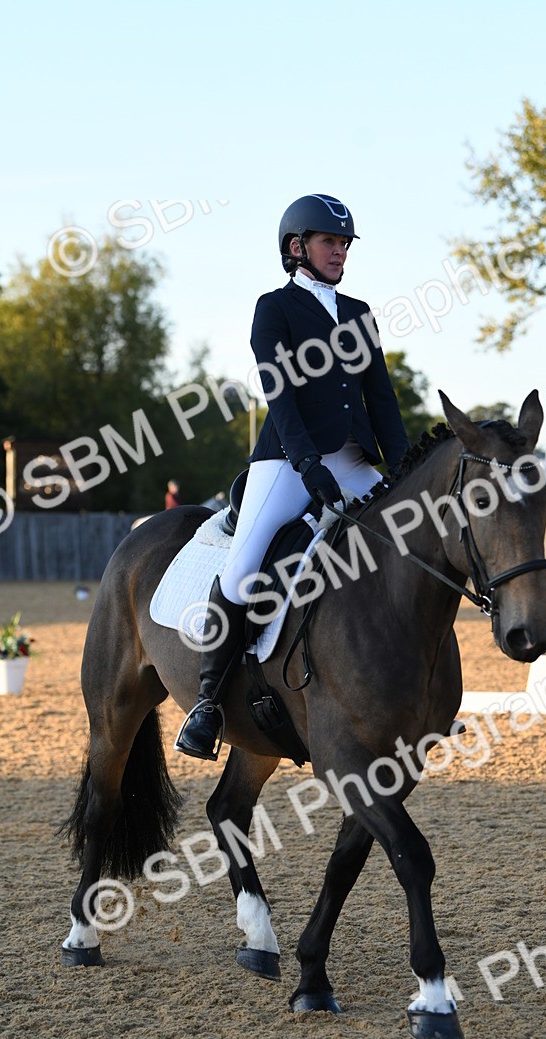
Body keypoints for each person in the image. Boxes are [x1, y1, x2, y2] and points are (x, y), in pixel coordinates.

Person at [175, 193, 411, 759]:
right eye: (330, 242)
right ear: (296, 247)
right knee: (244, 565)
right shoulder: (274, 307)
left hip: (353, 460)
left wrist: (405, 467)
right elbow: (278, 394)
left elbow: (381, 398)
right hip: (286, 459)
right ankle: (207, 703)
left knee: (409, 539)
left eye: (345, 243)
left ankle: (414, 688)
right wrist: (306, 465)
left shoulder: (359, 313)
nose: (340, 252)